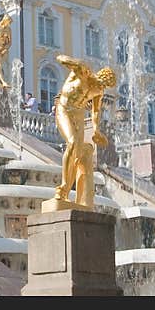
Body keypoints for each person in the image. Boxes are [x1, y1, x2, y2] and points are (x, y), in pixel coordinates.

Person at [51, 55, 116, 209]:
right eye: (102, 83)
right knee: (72, 143)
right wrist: (74, 62)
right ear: (99, 76)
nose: (101, 87)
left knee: (79, 152)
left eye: (105, 86)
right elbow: (60, 58)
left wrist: (96, 130)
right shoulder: (82, 72)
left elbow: (95, 112)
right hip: (64, 109)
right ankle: (63, 187)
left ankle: (70, 195)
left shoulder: (98, 91)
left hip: (79, 115)